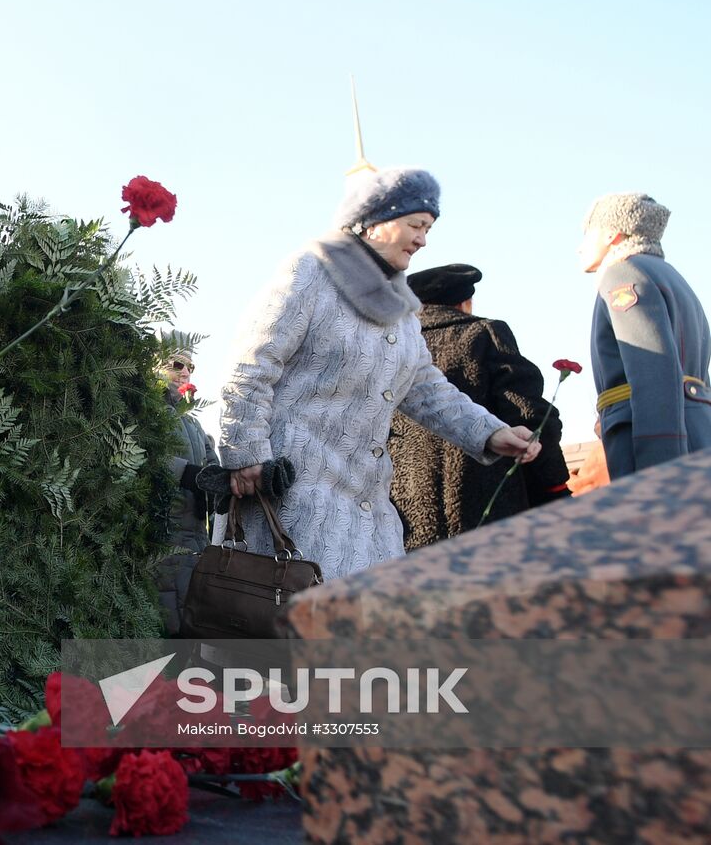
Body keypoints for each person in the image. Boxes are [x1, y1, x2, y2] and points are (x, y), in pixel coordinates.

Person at [216, 167, 541, 582]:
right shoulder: (310, 273)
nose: (423, 239)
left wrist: (490, 432)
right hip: (292, 493)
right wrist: (246, 459)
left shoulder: (402, 311)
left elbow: (425, 387)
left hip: (367, 505)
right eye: (416, 225)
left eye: (428, 228)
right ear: (373, 222)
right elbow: (249, 367)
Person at [389, 264, 571, 550]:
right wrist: (554, 489)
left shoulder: (394, 345)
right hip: (487, 514)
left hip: (403, 520)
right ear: (465, 302)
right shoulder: (484, 333)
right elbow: (528, 415)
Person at [580, 193, 710, 479]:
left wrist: (660, 468)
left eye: (587, 233)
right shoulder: (673, 276)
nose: (580, 247)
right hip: (696, 435)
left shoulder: (623, 274)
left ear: (612, 233)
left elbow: (653, 372)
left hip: (650, 445)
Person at [155, 334, 220, 636]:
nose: (185, 372)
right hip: (159, 544)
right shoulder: (147, 410)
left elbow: (215, 473)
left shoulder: (195, 426)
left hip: (196, 546)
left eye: (190, 366)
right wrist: (192, 475)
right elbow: (149, 459)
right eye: (177, 364)